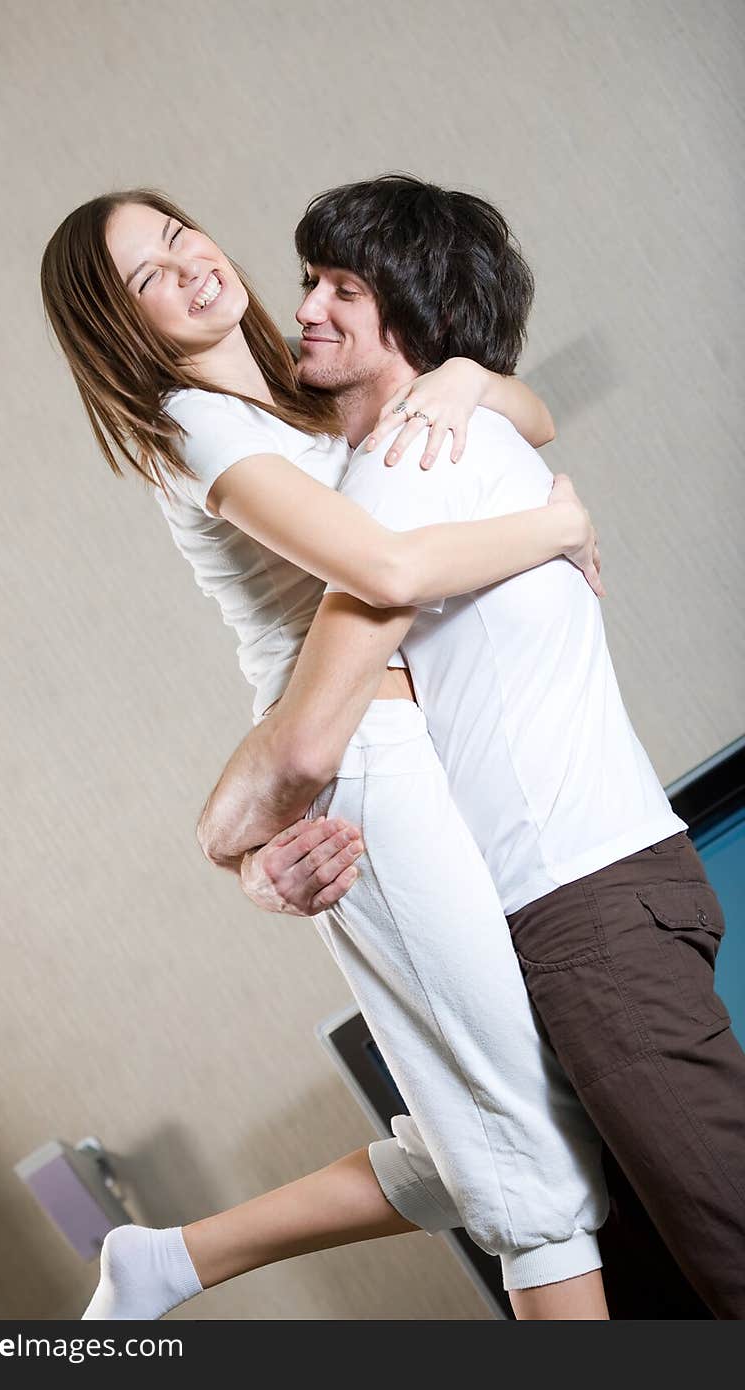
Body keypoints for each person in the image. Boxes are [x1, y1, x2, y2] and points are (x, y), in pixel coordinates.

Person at [40, 182, 610, 1322]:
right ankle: (170, 1261)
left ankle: (169, 1261)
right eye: (145, 276)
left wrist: (456, 377)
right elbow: (385, 574)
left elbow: (523, 416)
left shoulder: (302, 387)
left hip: (416, 739)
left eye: (175, 233)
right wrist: (554, 526)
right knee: (535, 1166)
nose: (187, 263)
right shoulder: (191, 427)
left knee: (512, 1112)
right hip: (359, 763)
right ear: (121, 325)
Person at [197, 177, 745, 1320]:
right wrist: (473, 382)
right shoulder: (457, 431)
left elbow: (306, 736)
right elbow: (519, 408)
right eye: (308, 280)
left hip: (578, 905)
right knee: (614, 1235)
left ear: (417, 311)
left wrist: (222, 844)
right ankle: (173, 1258)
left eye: (343, 287)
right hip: (587, 900)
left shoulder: (405, 473)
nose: (305, 308)